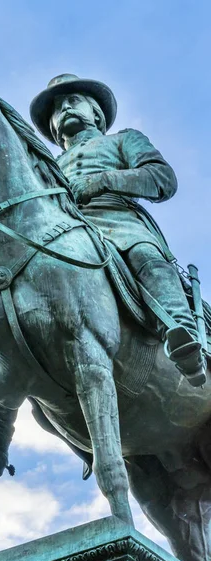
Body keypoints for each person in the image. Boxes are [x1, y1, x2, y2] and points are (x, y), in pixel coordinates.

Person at [30, 73, 206, 387]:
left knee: (144, 254)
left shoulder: (123, 140)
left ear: (95, 113)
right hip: (63, 232)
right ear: (53, 127)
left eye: (73, 101)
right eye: (57, 108)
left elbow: (162, 179)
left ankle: (180, 330)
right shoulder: (45, 165)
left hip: (119, 223)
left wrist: (104, 181)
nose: (65, 109)